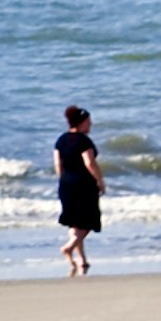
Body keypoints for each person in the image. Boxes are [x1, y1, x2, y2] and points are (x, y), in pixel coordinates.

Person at [54, 106, 102, 276]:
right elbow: (89, 162)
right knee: (89, 221)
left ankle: (82, 259)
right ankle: (69, 247)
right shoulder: (83, 141)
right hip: (84, 185)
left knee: (74, 222)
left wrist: (64, 181)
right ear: (82, 123)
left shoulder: (61, 140)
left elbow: (58, 165)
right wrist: (100, 180)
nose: (91, 125)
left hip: (66, 184)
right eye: (88, 122)